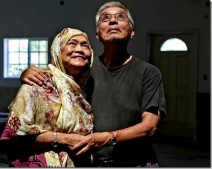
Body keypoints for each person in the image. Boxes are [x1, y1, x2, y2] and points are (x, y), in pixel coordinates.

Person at [19, 1, 166, 167]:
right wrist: (29, 74)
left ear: (132, 32)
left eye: (120, 17)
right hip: (91, 161)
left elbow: (149, 126)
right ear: (97, 34)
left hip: (134, 161)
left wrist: (107, 138)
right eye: (105, 18)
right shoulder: (84, 69)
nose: (113, 21)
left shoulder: (148, 72)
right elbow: (57, 81)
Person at [0, 27, 95, 167]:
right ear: (58, 50)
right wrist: (64, 139)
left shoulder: (86, 89)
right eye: (72, 43)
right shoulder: (37, 83)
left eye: (85, 45)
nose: (79, 49)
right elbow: (14, 134)